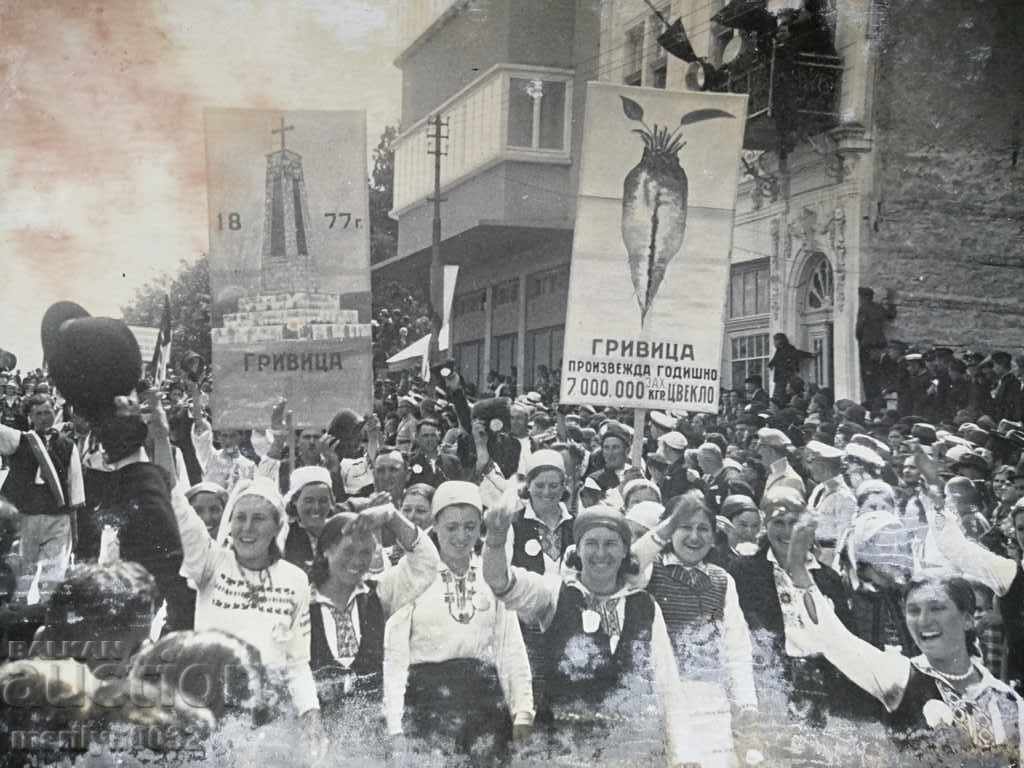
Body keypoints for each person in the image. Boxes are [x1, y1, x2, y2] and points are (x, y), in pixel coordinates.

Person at [780, 514, 1024, 761]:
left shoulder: (1006, 697)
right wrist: (799, 571)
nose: (923, 621)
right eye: (913, 611)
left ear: (968, 618)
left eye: (937, 608)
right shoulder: (901, 675)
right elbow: (835, 640)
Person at [481, 497, 695, 765]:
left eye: (611, 544)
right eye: (591, 543)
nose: (601, 553)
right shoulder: (553, 594)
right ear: (578, 550)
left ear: (624, 552)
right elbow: (500, 581)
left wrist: (684, 757)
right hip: (560, 751)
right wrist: (496, 539)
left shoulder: (644, 606)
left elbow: (668, 685)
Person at [382, 481, 533, 765]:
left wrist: (522, 709)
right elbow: (395, 656)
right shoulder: (412, 576)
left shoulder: (493, 574)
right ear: (435, 525)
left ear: (480, 529)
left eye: (470, 526)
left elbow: (510, 646)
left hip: (486, 707)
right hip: (428, 705)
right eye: (451, 527)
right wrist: (395, 725)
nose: (462, 536)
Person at [170, 475, 322, 732]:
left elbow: (297, 664)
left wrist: (312, 718)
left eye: (259, 518)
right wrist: (162, 440)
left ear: (277, 526)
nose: (247, 528)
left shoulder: (295, 580)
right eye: (240, 518)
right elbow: (179, 508)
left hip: (267, 718)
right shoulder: (211, 563)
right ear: (229, 524)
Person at [632, 491, 759, 766]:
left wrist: (745, 703)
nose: (694, 537)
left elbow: (736, 647)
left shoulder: (721, 579)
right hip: (659, 695)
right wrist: (663, 530)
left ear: (714, 536)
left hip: (709, 701)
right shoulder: (650, 572)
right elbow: (629, 566)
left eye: (703, 529)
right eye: (684, 527)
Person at [728, 487, 854, 728]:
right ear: (766, 525)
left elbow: (845, 635)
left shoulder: (828, 578)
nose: (787, 532)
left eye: (793, 523)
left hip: (821, 688)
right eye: (778, 522)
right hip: (768, 684)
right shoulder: (744, 571)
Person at [307, 500, 438, 719]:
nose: (357, 561)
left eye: (365, 552)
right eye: (348, 551)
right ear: (326, 551)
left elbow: (426, 563)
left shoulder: (379, 594)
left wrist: (391, 515)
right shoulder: (301, 601)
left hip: (372, 735)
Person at [0, 395, 83, 586]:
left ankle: (45, 614)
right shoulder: (19, 440)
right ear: (30, 417)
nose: (44, 417)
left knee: (52, 579)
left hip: (58, 519)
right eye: (38, 414)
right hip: (27, 518)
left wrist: (75, 529)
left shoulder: (69, 445)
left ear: (56, 412)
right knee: (21, 577)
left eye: (48, 412)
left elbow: (75, 488)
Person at [803, 439, 857, 562]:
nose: (810, 469)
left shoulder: (844, 496)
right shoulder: (819, 489)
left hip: (829, 556)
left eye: (812, 464)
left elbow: (844, 537)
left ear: (823, 467)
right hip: (812, 552)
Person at [282, 466, 337, 575]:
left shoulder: (338, 531)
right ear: (294, 501)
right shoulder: (284, 536)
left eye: (323, 501)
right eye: (309, 501)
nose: (316, 507)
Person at [767, 334, 815, 406]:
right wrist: (770, 364)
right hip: (779, 378)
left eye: (775, 341)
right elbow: (775, 359)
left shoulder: (789, 348)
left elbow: (798, 353)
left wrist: (810, 355)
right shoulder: (779, 350)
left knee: (782, 396)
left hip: (786, 377)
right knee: (778, 396)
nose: (774, 343)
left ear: (780, 340)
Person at [755, 427, 805, 497]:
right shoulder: (775, 473)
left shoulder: (790, 479)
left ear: (770, 450)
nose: (759, 452)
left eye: (761, 448)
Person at [406, 418, 443, 488]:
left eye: (433, 435)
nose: (430, 439)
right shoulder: (411, 463)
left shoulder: (452, 461)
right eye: (425, 436)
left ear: (439, 436)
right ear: (417, 437)